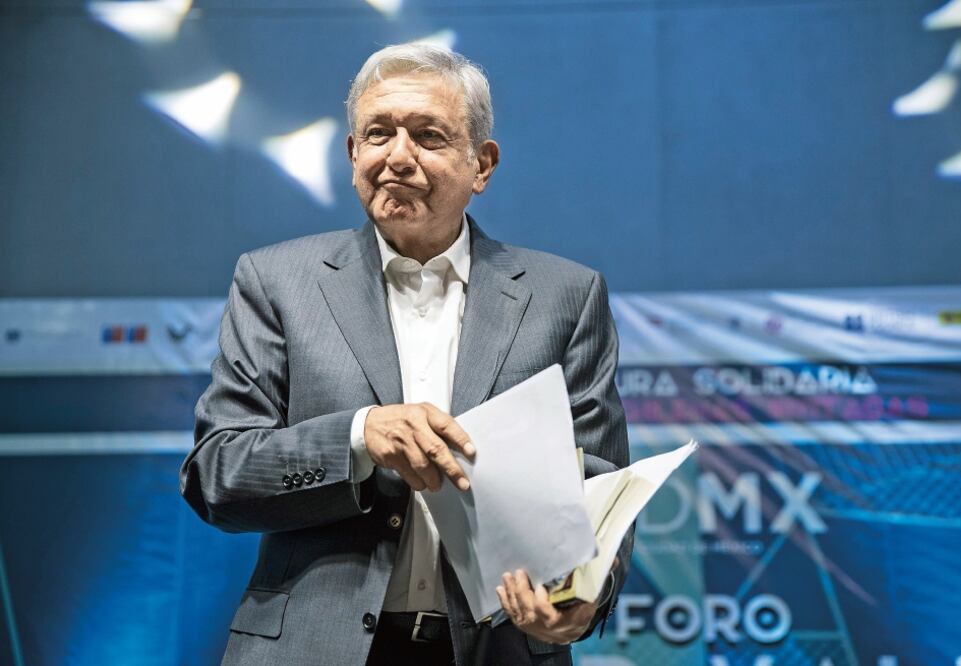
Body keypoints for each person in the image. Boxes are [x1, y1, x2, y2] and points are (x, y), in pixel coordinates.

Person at [180, 43, 630, 666]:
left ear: (482, 165)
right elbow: (217, 477)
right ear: (352, 153)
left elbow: (603, 486)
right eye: (378, 133)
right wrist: (359, 437)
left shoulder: (566, 296)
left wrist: (584, 598)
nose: (397, 156)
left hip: (495, 650)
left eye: (428, 136)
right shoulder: (275, 281)